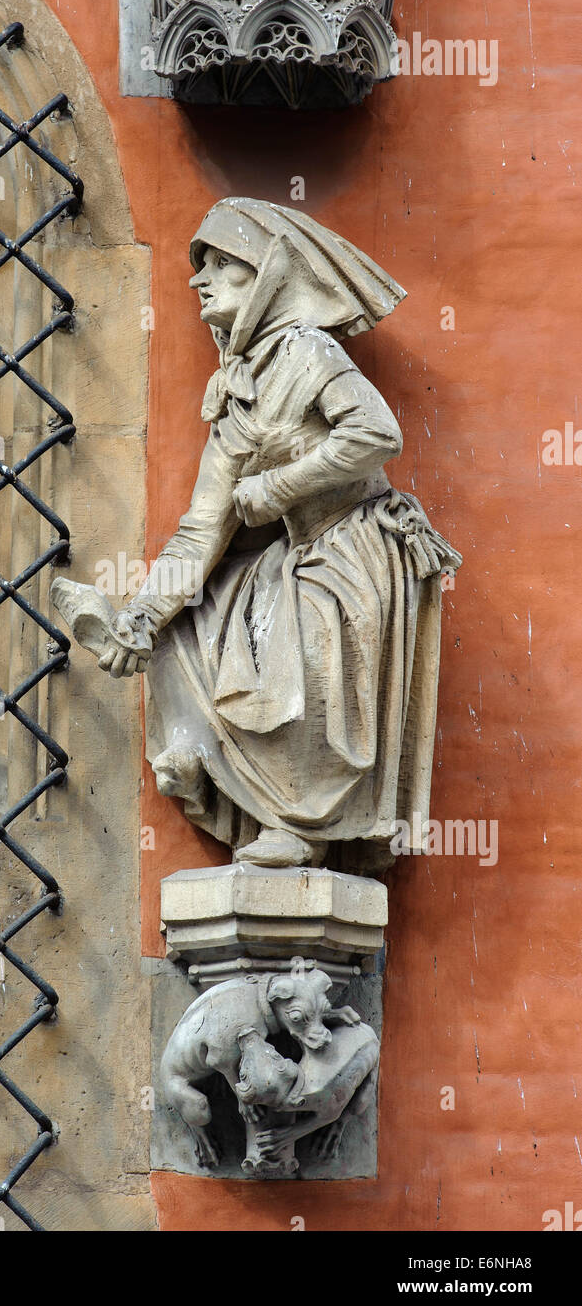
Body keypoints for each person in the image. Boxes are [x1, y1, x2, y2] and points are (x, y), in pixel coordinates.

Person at [99, 197, 461, 870]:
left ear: (261, 276)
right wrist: (141, 617)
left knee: (307, 638)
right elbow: (201, 530)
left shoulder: (306, 349)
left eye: (218, 266)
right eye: (198, 267)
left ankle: (301, 822)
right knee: (191, 619)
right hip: (294, 551)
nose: (196, 281)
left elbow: (376, 433)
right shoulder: (235, 393)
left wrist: (274, 488)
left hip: (354, 544)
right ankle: (199, 750)